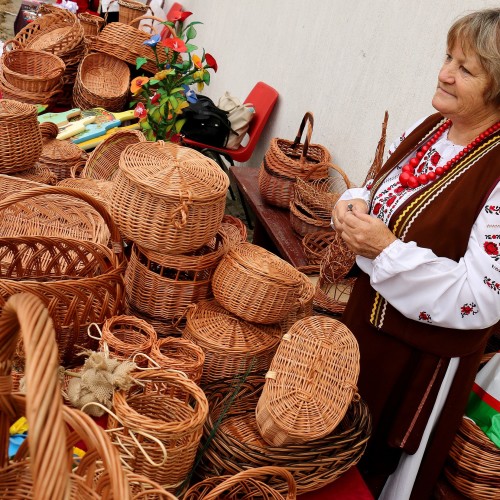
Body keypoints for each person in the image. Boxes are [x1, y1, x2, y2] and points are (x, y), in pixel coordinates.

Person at [331, 8, 500, 500]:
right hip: (362, 331)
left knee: (372, 479)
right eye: (449, 57)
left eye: (466, 69)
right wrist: (355, 203)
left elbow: (482, 300)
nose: (445, 72)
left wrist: (385, 250)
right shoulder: (431, 128)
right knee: (330, 456)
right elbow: (389, 192)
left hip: (417, 365)